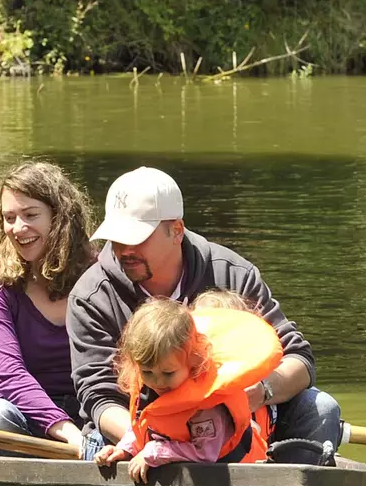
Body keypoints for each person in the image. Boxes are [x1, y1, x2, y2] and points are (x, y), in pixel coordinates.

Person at [68, 166, 343, 461]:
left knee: (321, 407)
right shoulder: (91, 295)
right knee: (98, 444)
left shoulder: (234, 274)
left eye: (137, 238)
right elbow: (98, 396)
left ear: (176, 230)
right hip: (135, 437)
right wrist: (154, 441)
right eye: (117, 238)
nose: (124, 250)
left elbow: (299, 360)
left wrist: (256, 395)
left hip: (237, 429)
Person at [0, 160, 94, 454]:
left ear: (59, 218)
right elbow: (7, 375)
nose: (18, 228)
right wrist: (69, 434)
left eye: (30, 215)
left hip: (89, 413)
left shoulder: (98, 275)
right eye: (9, 218)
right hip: (20, 418)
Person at [93, 296, 282, 482]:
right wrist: (123, 450)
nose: (158, 382)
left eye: (168, 373)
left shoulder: (206, 408)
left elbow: (205, 453)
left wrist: (154, 452)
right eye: (147, 372)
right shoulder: (153, 387)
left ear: (193, 360)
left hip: (239, 482)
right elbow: (144, 428)